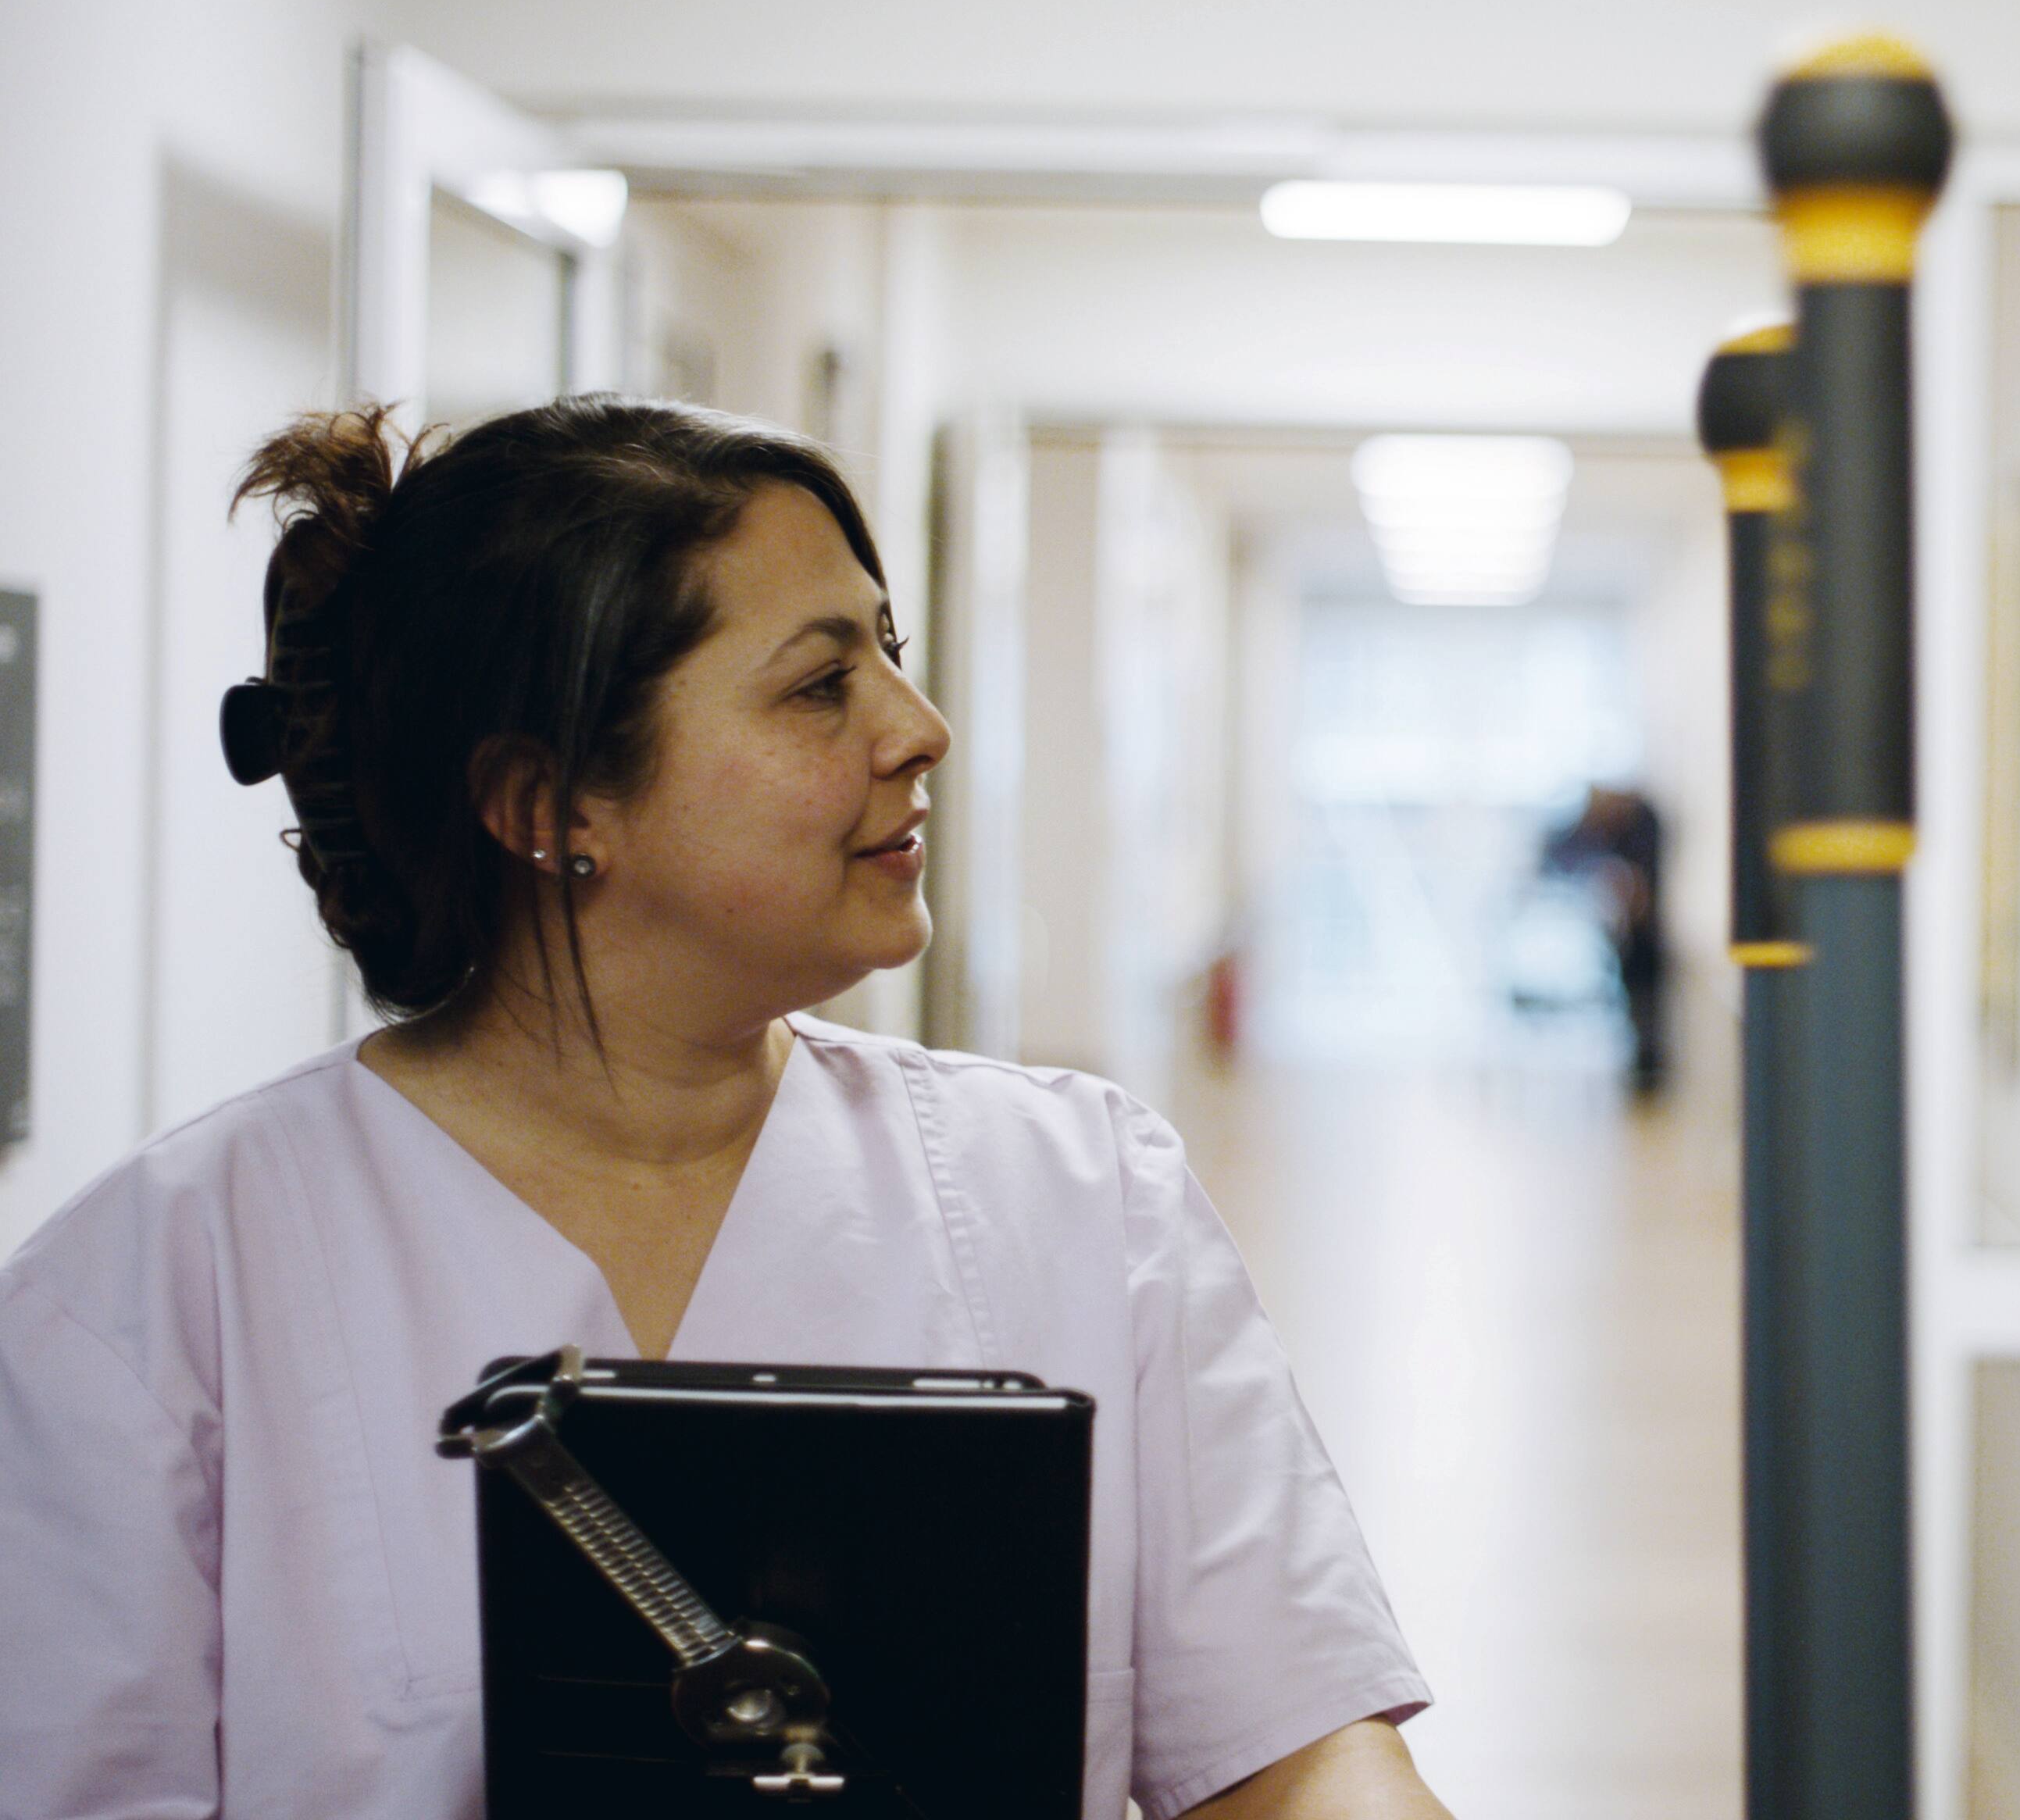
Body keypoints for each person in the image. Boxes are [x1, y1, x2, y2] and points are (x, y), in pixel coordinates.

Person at [0, 400, 1452, 1820]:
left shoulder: (1080, 1192)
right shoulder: (157, 1290)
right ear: (552, 803)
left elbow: (1295, 1747)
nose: (923, 727)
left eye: (889, 651)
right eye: (822, 684)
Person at [1542, 784, 1668, 1091]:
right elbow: (1554, 855)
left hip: (1646, 940)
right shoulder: (1597, 832)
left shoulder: (1644, 825)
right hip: (1626, 936)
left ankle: (1648, 1074)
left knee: (1646, 1002)